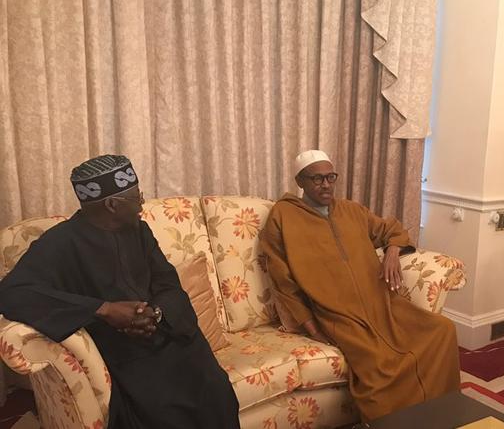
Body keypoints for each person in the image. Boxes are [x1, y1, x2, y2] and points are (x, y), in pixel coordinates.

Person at [0, 155, 240, 428]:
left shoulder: (140, 231)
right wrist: (103, 310)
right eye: (136, 196)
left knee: (216, 393)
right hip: (123, 354)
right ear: (113, 204)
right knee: (161, 412)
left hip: (170, 334)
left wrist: (156, 313)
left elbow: (167, 282)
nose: (141, 203)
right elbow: (12, 292)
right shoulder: (60, 243)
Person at [260, 149, 460, 421]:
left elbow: (393, 229)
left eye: (331, 177)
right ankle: (392, 423)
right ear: (300, 181)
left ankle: (439, 415)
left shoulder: (352, 210)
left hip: (383, 303)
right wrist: (312, 328)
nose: (326, 184)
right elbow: (283, 282)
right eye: (317, 179)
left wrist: (391, 253)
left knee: (442, 329)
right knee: (378, 366)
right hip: (337, 314)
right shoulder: (282, 217)